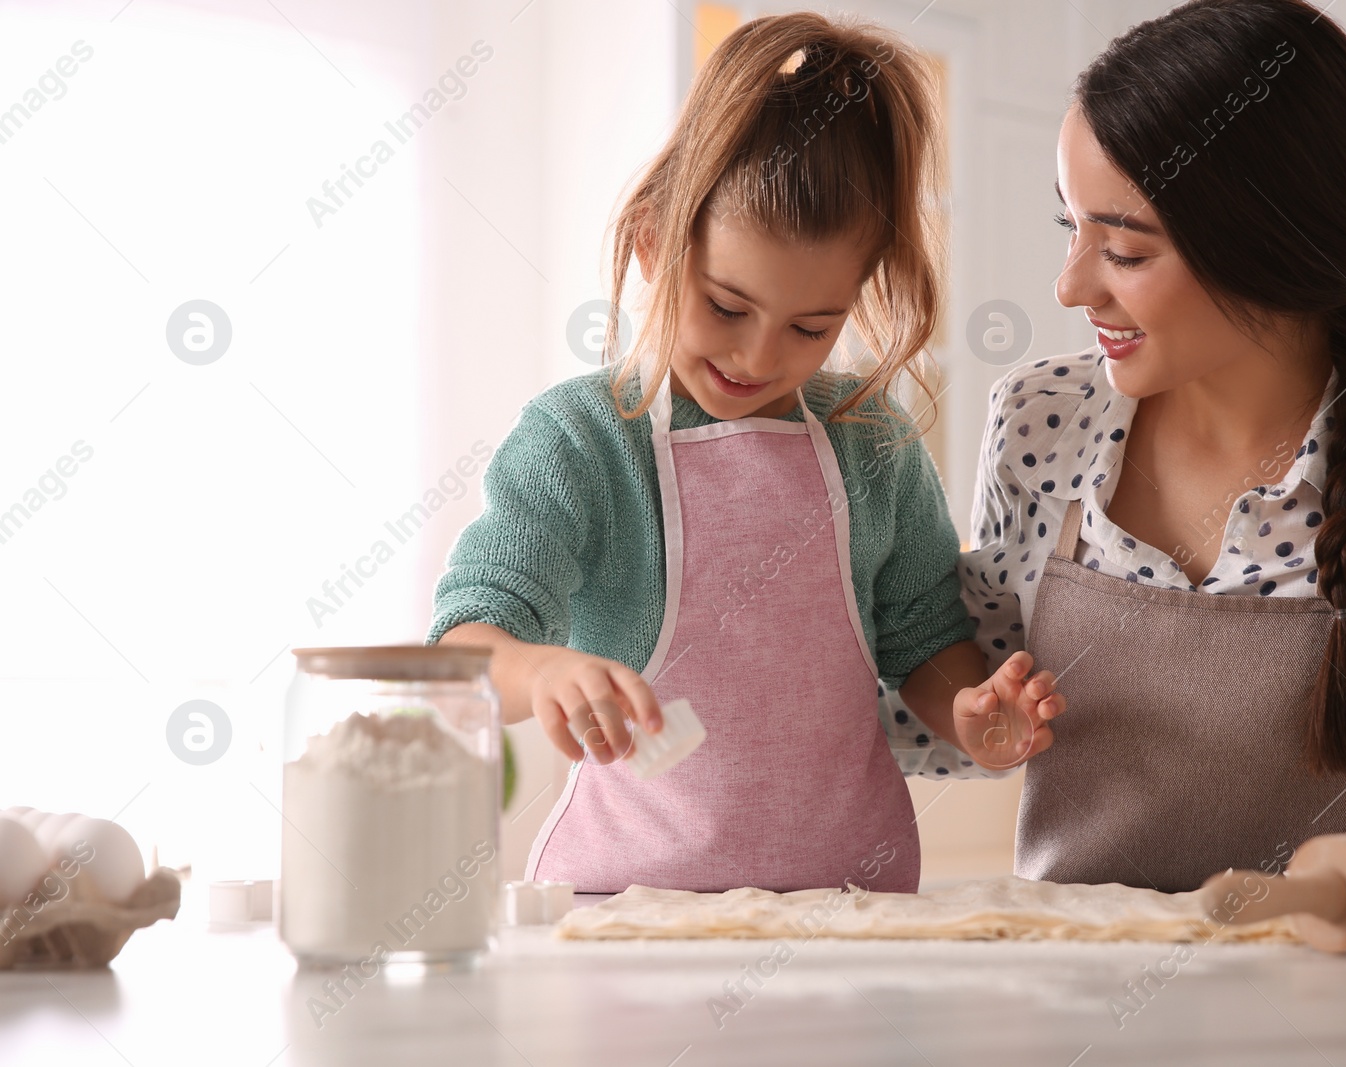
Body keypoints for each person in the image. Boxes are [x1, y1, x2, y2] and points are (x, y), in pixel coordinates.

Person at [943, 0, 1346, 891]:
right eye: (1072, 227)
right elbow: (951, 705)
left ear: (1269, 247)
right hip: (1078, 1001)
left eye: (1126, 252)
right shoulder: (1037, 422)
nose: (1069, 287)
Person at [426, 13, 1062, 895]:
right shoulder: (581, 439)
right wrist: (545, 669)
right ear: (653, 241)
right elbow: (465, 645)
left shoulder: (872, 439)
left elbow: (924, 639)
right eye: (726, 306)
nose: (757, 359)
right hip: (625, 913)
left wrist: (969, 713)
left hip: (850, 906)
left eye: (812, 326)